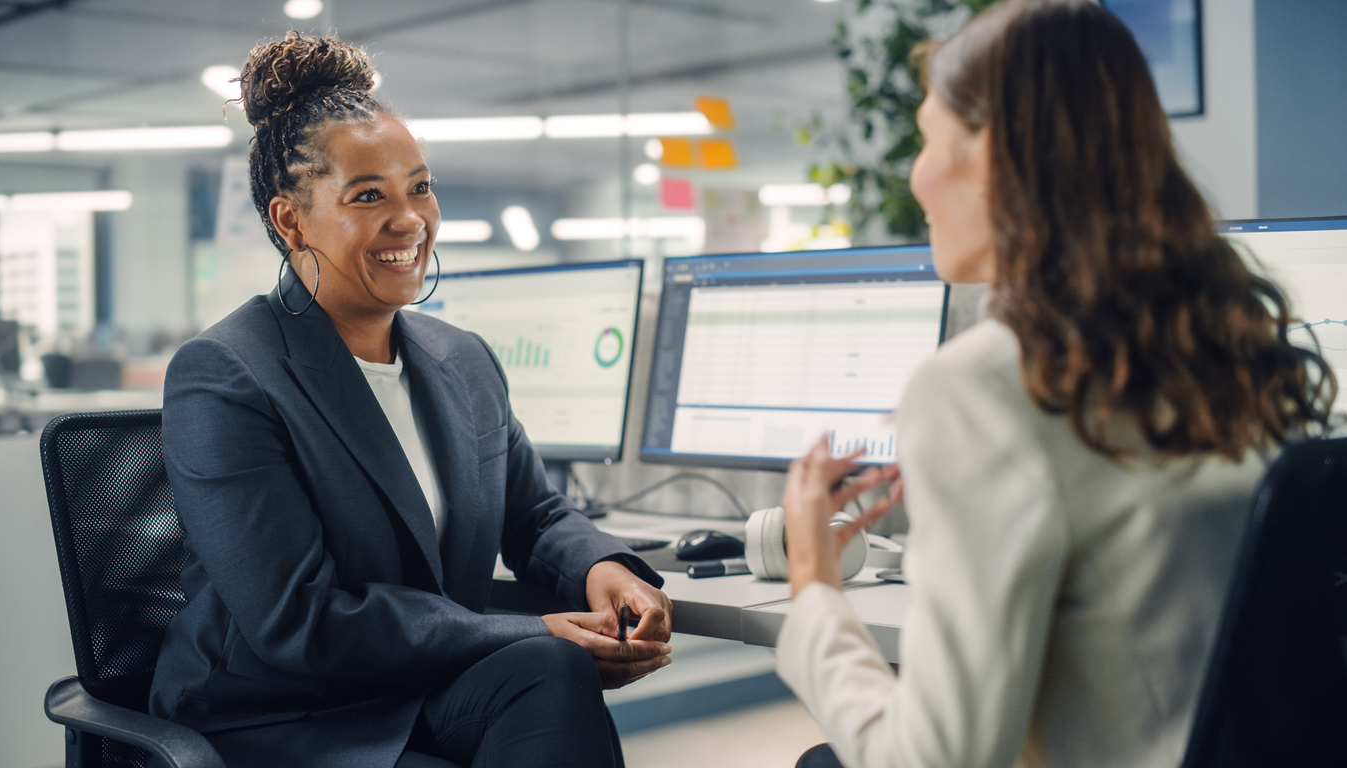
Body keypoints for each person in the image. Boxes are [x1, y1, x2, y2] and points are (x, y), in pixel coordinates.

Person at [774, 2, 1336, 767]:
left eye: (927, 138)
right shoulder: (1224, 347)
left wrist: (811, 583)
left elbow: (936, 759)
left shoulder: (981, 386)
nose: (915, 175)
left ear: (995, 157)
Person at [149, 32, 673, 768]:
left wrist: (601, 570)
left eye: (419, 187)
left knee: (550, 675)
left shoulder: (459, 357)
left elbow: (534, 514)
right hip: (279, 714)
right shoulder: (226, 374)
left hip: (415, 686)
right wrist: (533, 630)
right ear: (289, 220)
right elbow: (298, 623)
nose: (410, 221)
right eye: (369, 196)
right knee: (547, 663)